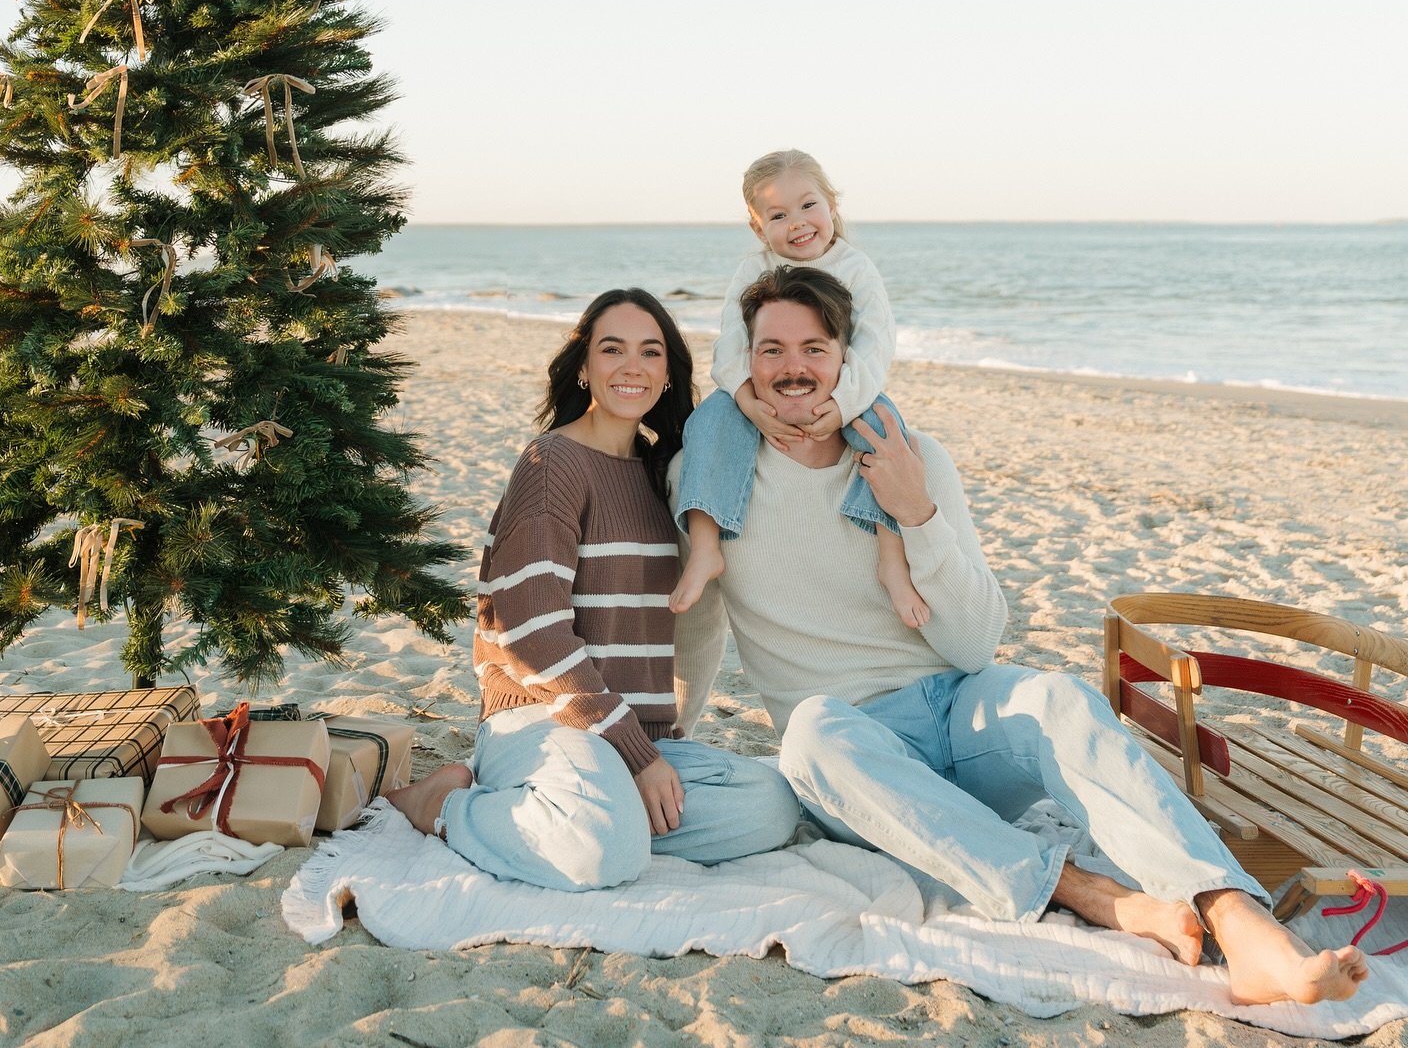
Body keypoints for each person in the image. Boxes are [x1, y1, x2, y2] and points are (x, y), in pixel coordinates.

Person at [672, 264, 1370, 1008]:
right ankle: (1088, 892)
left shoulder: (914, 457)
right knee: (809, 731)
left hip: (957, 710)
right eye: (772, 349)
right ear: (746, 360)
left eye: (815, 346)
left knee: (1059, 697)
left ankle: (1237, 918)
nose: (793, 368)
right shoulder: (711, 480)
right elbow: (700, 620)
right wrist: (672, 725)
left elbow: (975, 643)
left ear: (847, 358)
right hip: (861, 764)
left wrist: (917, 514)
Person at [390, 287, 800, 890]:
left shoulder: (664, 475)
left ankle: (598, 819)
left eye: (651, 352)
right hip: (541, 723)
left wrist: (644, 750)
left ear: (667, 374)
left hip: (633, 732)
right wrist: (635, 756)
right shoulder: (550, 465)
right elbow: (532, 633)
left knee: (770, 805)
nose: (632, 367)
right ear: (584, 367)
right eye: (613, 349)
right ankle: (440, 806)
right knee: (602, 857)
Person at [670, 148, 929, 628]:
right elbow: (729, 347)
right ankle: (706, 548)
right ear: (757, 227)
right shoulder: (753, 271)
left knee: (884, 427)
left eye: (809, 205)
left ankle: (891, 556)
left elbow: (874, 348)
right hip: (764, 392)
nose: (798, 222)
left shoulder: (856, 269)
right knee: (706, 420)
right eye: (778, 215)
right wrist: (748, 403)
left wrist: (841, 405)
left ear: (832, 204)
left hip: (842, 391)